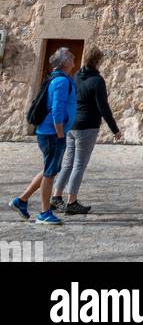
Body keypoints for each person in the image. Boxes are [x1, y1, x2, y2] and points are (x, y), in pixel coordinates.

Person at [9, 46, 77, 225]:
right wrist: (60, 134)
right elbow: (57, 110)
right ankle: (44, 213)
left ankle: (21, 201)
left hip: (50, 133)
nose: (73, 57)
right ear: (63, 63)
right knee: (50, 174)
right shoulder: (61, 82)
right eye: (70, 56)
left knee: (50, 169)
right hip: (52, 134)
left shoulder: (58, 79)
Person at [51, 45, 121, 215]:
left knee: (68, 163)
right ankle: (72, 201)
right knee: (79, 165)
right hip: (88, 126)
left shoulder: (75, 77)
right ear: (98, 61)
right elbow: (103, 107)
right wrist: (115, 130)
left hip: (72, 125)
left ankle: (56, 197)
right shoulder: (97, 81)